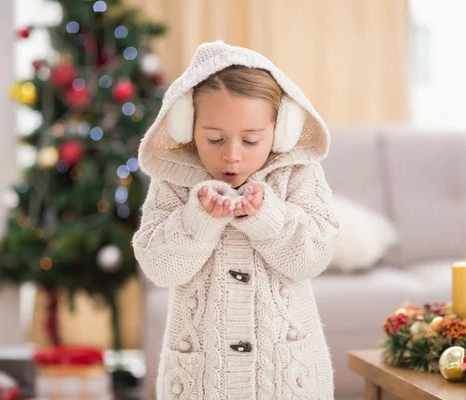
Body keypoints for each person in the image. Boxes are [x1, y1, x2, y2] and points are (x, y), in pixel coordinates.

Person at [132, 40, 339, 399]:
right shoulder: (176, 180)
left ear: (281, 130)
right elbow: (160, 267)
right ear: (187, 127)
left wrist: (268, 217)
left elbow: (314, 256)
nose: (231, 156)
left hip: (285, 378)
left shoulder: (298, 174)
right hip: (202, 382)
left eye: (251, 140)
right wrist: (197, 220)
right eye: (214, 139)